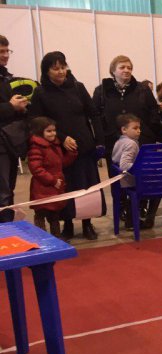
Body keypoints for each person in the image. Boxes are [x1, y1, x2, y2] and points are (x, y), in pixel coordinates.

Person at [29, 52, 104, 240]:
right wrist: (61, 138)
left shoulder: (78, 87)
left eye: (63, 67)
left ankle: (88, 224)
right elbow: (37, 121)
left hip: (84, 147)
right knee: (65, 188)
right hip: (58, 151)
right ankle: (67, 225)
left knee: (87, 187)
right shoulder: (41, 92)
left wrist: (99, 140)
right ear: (46, 72)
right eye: (55, 68)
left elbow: (93, 114)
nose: (61, 71)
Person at [93, 55, 161, 171]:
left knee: (144, 177)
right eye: (122, 67)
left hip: (143, 142)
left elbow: (154, 112)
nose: (126, 70)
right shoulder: (101, 91)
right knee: (118, 179)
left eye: (129, 68)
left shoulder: (143, 89)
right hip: (114, 144)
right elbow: (96, 116)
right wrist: (102, 138)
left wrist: (151, 134)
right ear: (113, 71)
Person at [27, 116, 77, 238]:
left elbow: (60, 163)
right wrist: (52, 180)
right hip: (42, 189)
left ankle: (56, 238)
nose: (53, 133)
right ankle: (41, 238)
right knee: (40, 215)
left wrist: (72, 153)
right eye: (49, 131)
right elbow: (36, 169)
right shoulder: (36, 147)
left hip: (55, 188)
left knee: (54, 216)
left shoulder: (55, 145)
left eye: (54, 130)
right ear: (39, 131)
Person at [0, 35, 29, 222]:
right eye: (1, 51)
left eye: (7, 51)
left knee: (8, 192)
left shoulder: (7, 78)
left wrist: (23, 107)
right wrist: (11, 107)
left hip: (9, 143)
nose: (5, 55)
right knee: (3, 194)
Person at [111, 114, 142, 228]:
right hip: (129, 180)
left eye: (139, 128)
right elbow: (124, 165)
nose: (139, 131)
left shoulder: (119, 141)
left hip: (119, 180)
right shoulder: (131, 143)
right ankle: (147, 218)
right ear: (124, 130)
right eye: (135, 128)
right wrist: (141, 167)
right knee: (159, 186)